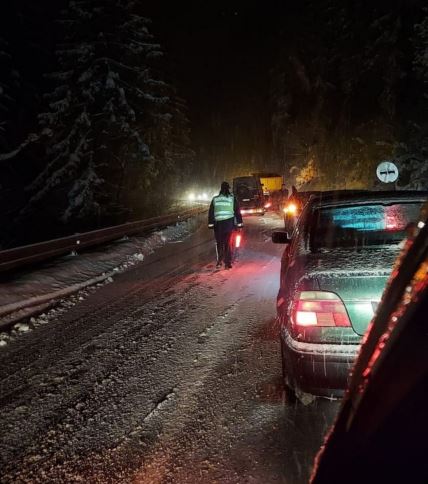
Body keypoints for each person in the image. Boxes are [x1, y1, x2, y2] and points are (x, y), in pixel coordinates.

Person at [208, 181, 243, 269]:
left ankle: (219, 261)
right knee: (228, 243)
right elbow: (237, 211)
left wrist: (210, 223)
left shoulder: (215, 199)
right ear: (228, 189)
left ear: (221, 189)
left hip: (218, 225)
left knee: (219, 243)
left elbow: (211, 212)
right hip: (228, 224)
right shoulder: (232, 198)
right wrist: (239, 223)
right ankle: (227, 263)